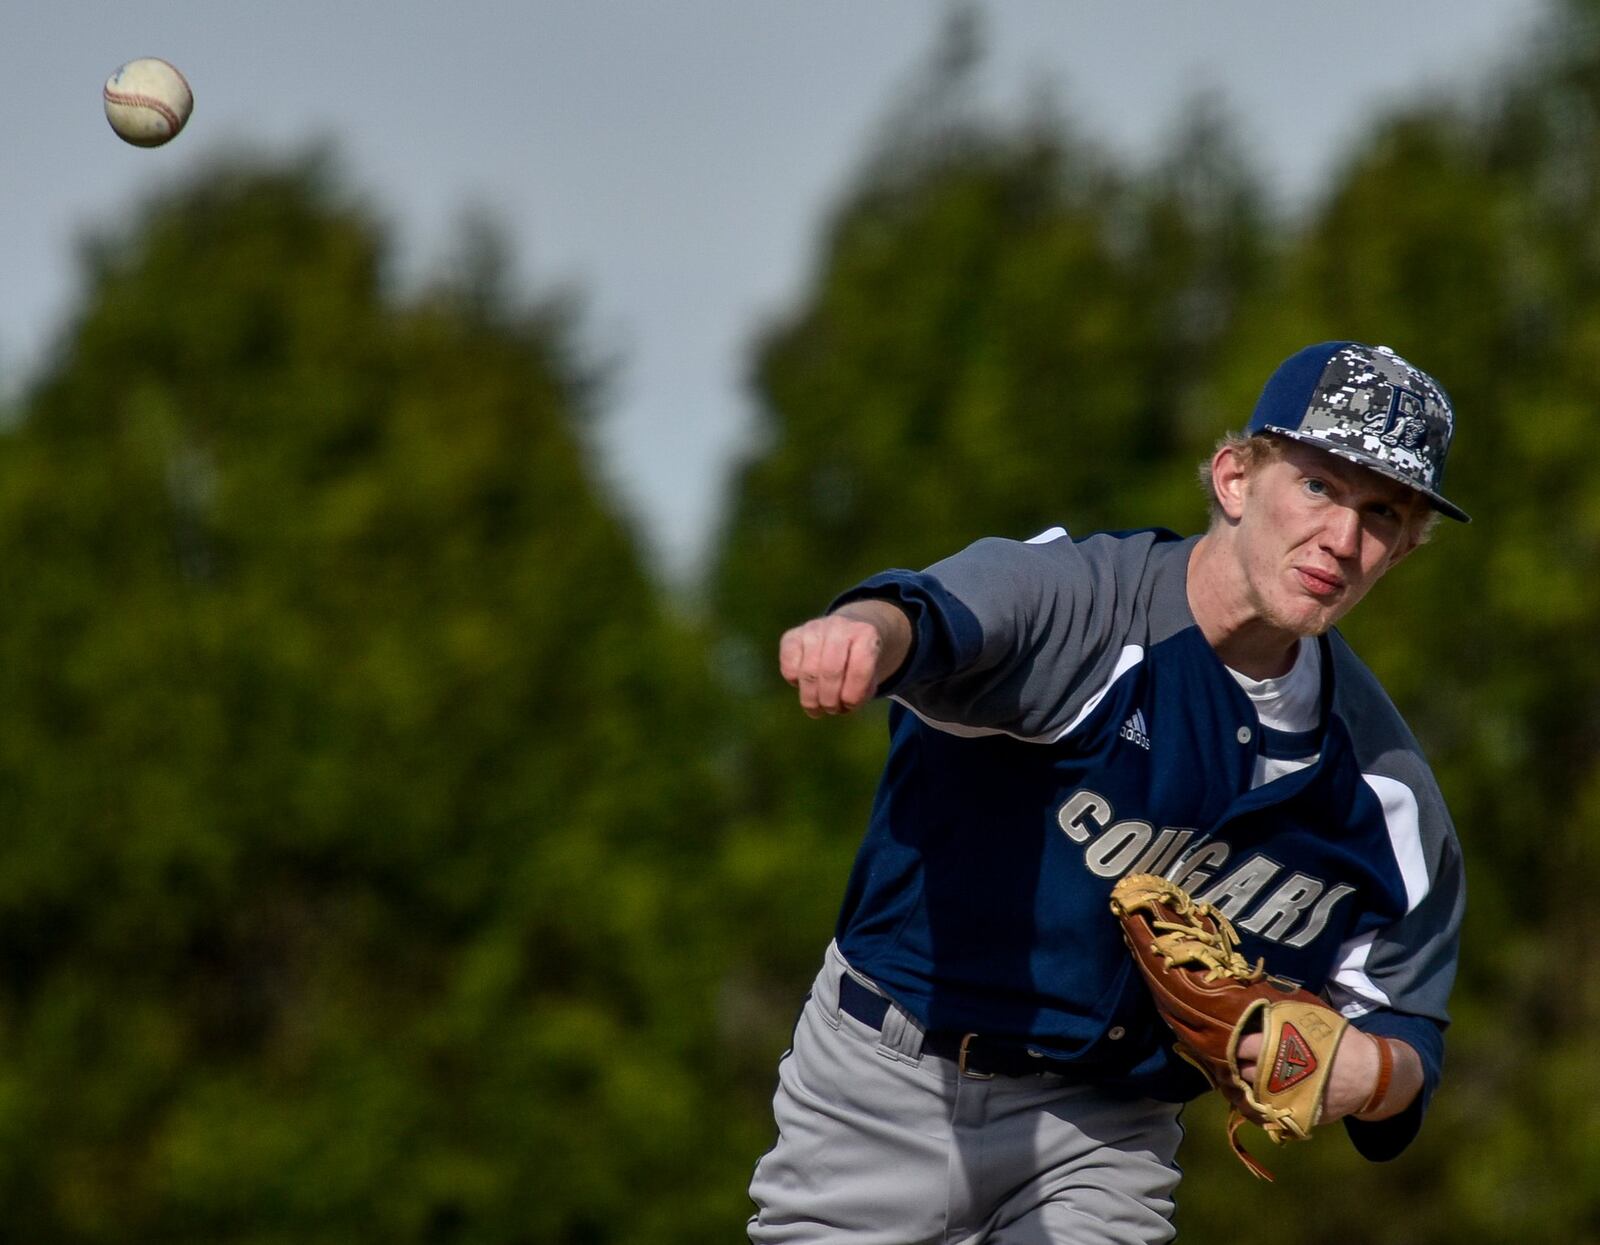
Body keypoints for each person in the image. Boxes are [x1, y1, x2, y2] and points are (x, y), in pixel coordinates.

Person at [747, 341, 1468, 1244]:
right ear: (1235, 477)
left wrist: (1371, 1073)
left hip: (1104, 1137)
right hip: (884, 1084)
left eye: (1382, 512)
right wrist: (858, 633)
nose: (1343, 537)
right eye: (1320, 485)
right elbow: (933, 616)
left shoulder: (1383, 792)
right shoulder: (1087, 607)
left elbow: (1410, 1035)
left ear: (1401, 549)